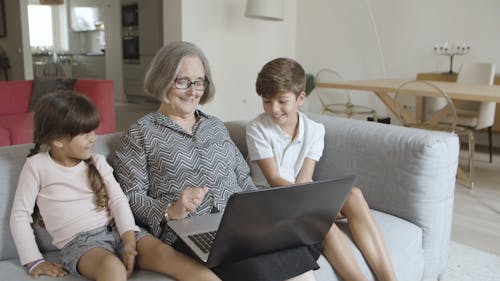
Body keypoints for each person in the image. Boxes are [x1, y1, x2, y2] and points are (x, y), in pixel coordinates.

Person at [111, 41, 319, 281]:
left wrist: (261, 212)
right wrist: (170, 210)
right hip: (188, 231)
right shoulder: (140, 134)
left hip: (240, 226)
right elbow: (130, 196)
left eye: (199, 82)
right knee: (259, 270)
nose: (193, 91)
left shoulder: (215, 126)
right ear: (162, 79)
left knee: (295, 257)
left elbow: (242, 177)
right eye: (183, 81)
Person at [9, 91, 218, 281]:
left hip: (120, 230)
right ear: (58, 140)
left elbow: (118, 201)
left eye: (93, 130)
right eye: (85, 133)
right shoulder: (37, 166)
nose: (94, 138)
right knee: (112, 269)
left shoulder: (97, 162)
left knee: (167, 255)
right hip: (81, 244)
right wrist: (34, 261)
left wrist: (128, 238)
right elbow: (20, 215)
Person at [246, 57, 398, 281]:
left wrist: (313, 199)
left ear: (300, 98)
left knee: (354, 195)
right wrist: (314, 203)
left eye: (281, 101)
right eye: (267, 101)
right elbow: (274, 179)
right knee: (319, 217)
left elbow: (305, 180)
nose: (274, 109)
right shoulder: (257, 129)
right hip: (272, 203)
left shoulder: (315, 130)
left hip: (300, 195)